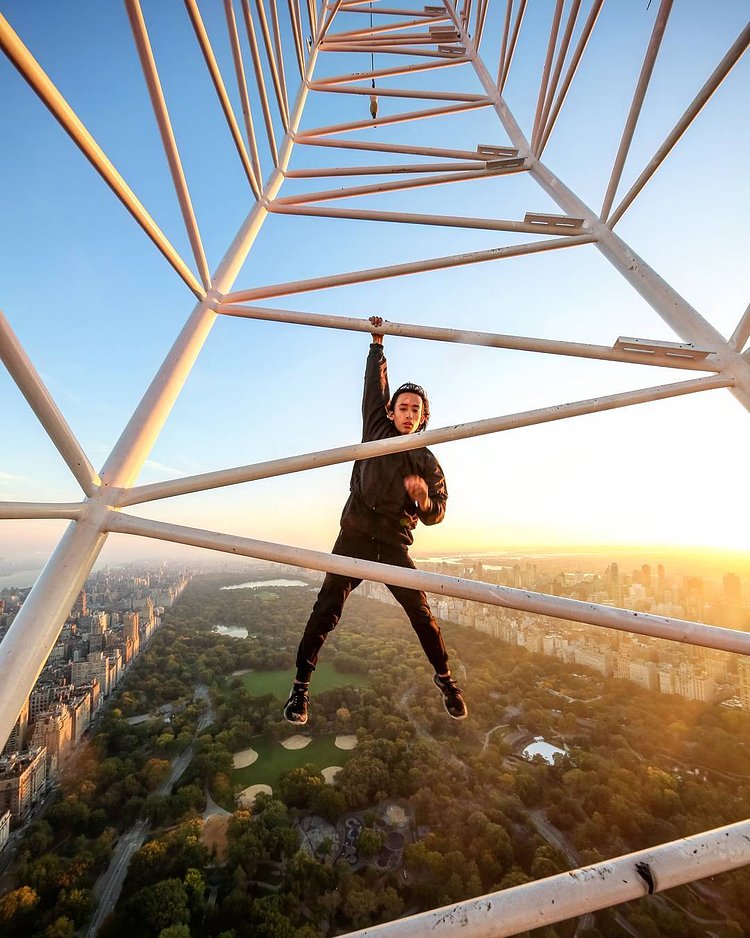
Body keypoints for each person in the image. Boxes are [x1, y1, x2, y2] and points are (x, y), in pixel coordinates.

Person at [283, 316, 467, 725]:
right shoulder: (376, 428)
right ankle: (299, 690)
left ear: (423, 418)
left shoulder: (426, 460)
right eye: (402, 407)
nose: (407, 413)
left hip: (393, 545)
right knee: (326, 609)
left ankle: (446, 680)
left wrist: (422, 501)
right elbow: (374, 387)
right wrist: (377, 345)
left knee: (420, 612)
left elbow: (439, 511)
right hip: (355, 538)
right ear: (391, 411)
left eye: (415, 410)